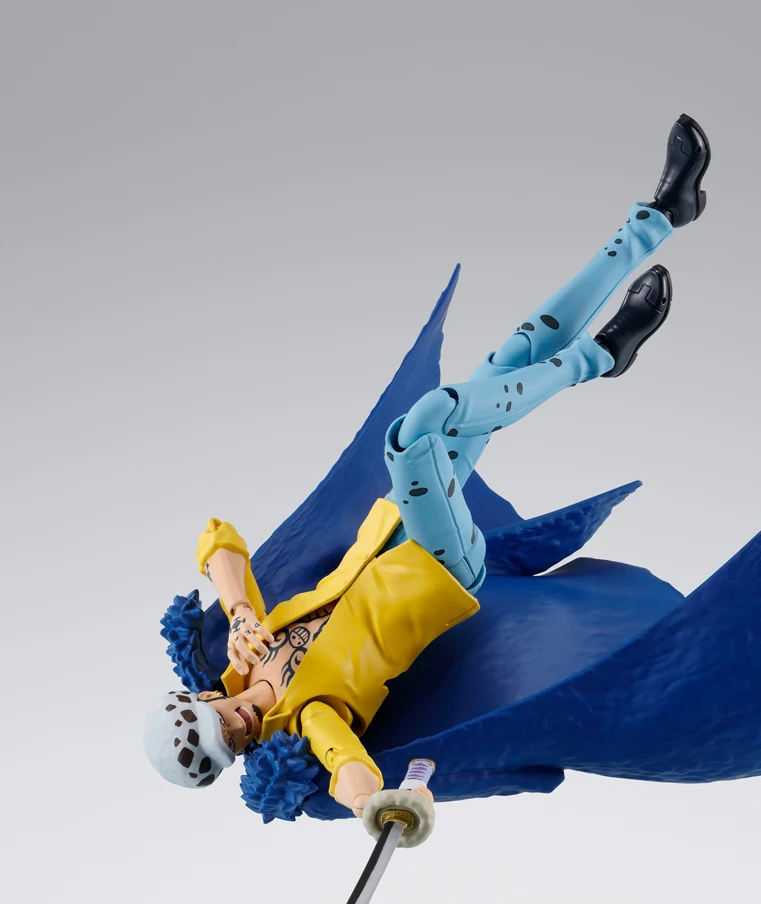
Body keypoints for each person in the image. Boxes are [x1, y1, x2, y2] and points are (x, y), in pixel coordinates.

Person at [144, 114, 712, 820]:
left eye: (220, 720)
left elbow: (217, 538)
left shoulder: (246, 652)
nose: (239, 728)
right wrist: (377, 808)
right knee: (415, 433)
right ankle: (596, 358)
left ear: (205, 698)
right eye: (231, 745)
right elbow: (348, 768)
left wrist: (236, 612)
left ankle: (656, 220)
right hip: (438, 564)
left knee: (509, 358)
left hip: (395, 523)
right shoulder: (309, 718)